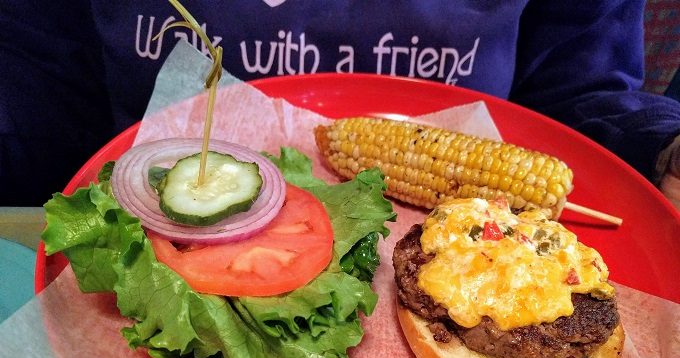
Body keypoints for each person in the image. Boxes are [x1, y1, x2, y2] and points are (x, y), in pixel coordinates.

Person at [1, 0, 679, 207]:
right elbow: (41, 85)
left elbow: (578, 94)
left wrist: (660, 147)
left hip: (478, 255)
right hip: (154, 243)